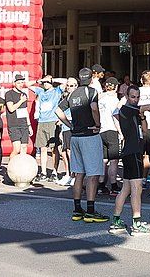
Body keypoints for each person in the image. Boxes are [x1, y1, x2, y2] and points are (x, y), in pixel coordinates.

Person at [57, 67, 106, 222]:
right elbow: (94, 108)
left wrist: (70, 125)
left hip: (75, 136)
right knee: (93, 174)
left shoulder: (73, 93)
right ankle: (90, 211)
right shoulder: (91, 92)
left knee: (79, 173)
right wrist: (98, 124)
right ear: (91, 78)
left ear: (79, 79)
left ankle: (77, 209)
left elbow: (58, 110)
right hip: (89, 135)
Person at [109, 84, 150, 235]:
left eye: (137, 97)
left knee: (126, 188)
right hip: (133, 152)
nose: (135, 100)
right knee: (137, 188)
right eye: (132, 97)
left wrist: (143, 116)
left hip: (133, 151)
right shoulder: (126, 109)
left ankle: (116, 221)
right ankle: (136, 223)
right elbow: (147, 106)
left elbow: (145, 130)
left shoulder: (134, 112)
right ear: (126, 97)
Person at [32, 76, 64, 183]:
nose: (45, 83)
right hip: (42, 121)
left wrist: (54, 80)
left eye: (47, 82)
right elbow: (27, 85)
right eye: (44, 82)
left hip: (52, 121)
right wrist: (39, 81)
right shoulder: (40, 91)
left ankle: (55, 171)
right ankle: (44, 172)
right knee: (42, 148)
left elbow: (66, 81)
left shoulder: (56, 91)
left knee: (54, 148)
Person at [99, 76, 122, 195]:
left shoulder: (100, 98)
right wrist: (121, 132)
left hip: (101, 130)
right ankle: (113, 185)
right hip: (111, 130)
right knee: (114, 160)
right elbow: (116, 117)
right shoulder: (114, 100)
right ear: (116, 87)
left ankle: (101, 184)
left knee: (103, 160)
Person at [4, 75, 32, 157]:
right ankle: (10, 168)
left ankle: (22, 168)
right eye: (18, 83)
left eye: (22, 82)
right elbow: (11, 108)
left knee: (24, 147)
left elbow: (25, 111)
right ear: (14, 83)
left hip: (24, 124)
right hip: (14, 125)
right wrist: (21, 101)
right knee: (17, 149)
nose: (20, 84)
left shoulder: (24, 94)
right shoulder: (9, 94)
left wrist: (29, 125)